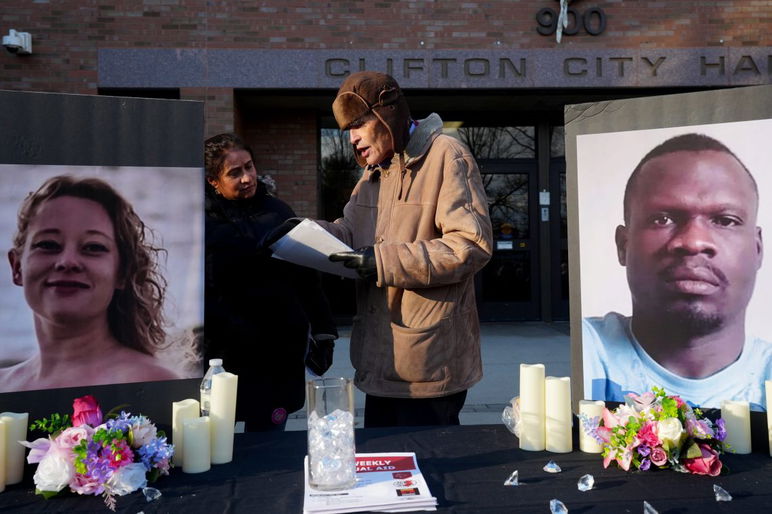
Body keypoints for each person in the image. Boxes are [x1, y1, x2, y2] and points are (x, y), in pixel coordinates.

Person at [269, 71, 493, 427]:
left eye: (358, 125)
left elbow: (470, 245)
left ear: (386, 114)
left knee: (431, 476)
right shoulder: (374, 172)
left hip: (428, 367)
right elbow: (348, 232)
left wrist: (382, 261)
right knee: (386, 474)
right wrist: (303, 234)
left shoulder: (447, 155)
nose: (353, 139)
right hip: (379, 361)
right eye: (347, 131)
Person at [582, 133, 772, 411]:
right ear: (624, 245)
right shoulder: (582, 350)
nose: (694, 241)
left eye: (725, 220)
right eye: (663, 219)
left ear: (757, 250)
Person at [204, 133, 338, 431]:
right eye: (234, 173)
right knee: (217, 442)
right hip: (222, 354)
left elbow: (307, 278)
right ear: (213, 180)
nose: (246, 178)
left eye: (249, 167)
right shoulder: (200, 222)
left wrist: (324, 331)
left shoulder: (278, 213)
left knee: (268, 441)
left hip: (276, 354)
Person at [1, 175, 179, 392]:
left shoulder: (153, 382)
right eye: (48, 244)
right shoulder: (4, 385)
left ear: (122, 272)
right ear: (17, 267)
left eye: (93, 247)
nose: (67, 261)